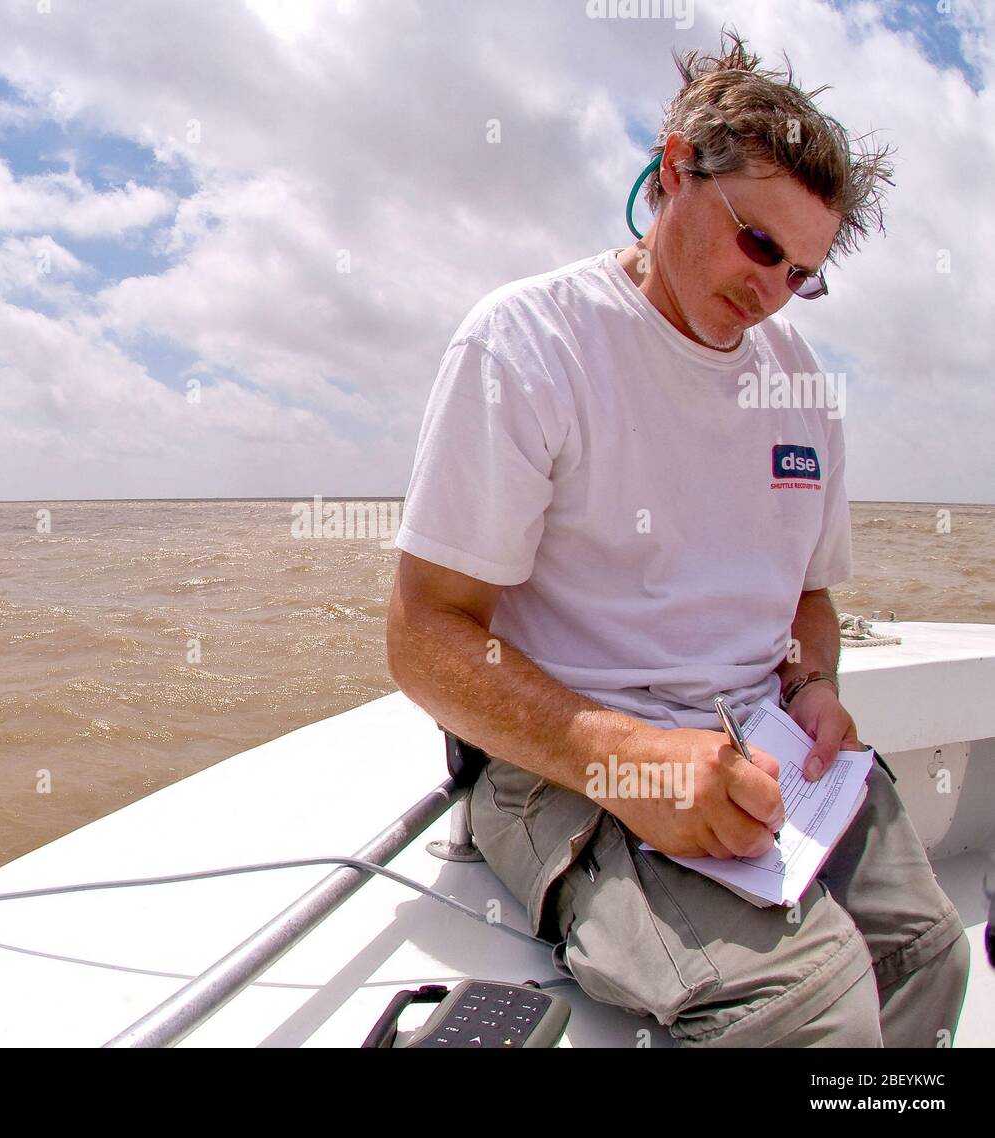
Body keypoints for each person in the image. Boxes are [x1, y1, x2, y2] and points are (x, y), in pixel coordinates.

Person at [385, 28, 969, 1046]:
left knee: (928, 952)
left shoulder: (802, 389)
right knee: (810, 1006)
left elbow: (808, 603)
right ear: (671, 173)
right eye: (758, 244)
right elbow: (425, 635)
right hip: (564, 768)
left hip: (767, 748)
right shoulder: (527, 342)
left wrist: (812, 685)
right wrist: (631, 763)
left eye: (802, 272)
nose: (772, 291)